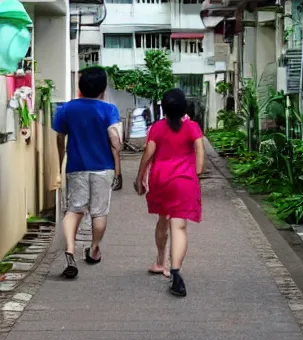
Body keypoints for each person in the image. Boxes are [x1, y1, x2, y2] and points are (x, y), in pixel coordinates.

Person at [53, 66, 122, 279]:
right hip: (103, 169)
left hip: (77, 167)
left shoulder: (66, 109)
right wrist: (118, 170)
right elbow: (115, 144)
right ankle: (93, 249)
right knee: (99, 212)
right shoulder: (109, 110)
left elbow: (59, 137)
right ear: (103, 88)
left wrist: (60, 161)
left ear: (80, 87)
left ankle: (70, 250)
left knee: (74, 209)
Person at [135, 89, 204, 297]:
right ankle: (174, 271)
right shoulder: (192, 127)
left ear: (163, 108)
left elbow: (148, 153)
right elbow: (200, 150)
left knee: (162, 220)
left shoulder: (157, 128)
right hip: (184, 182)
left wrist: (139, 179)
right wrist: (197, 172)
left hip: (161, 180)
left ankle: (159, 260)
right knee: (179, 227)